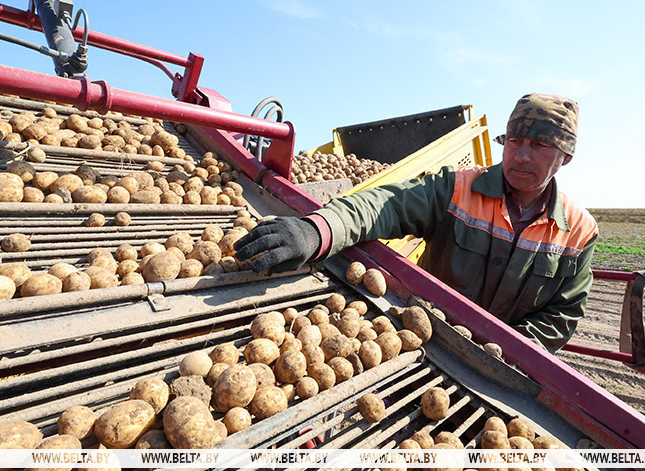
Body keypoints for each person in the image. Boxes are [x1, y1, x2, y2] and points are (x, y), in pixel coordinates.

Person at [234, 93, 598, 353]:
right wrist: (317, 230)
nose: (520, 155)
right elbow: (385, 204)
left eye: (538, 145)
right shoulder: (457, 187)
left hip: (501, 370)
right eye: (515, 141)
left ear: (565, 156)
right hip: (424, 342)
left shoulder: (579, 231)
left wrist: (505, 355)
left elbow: (562, 314)